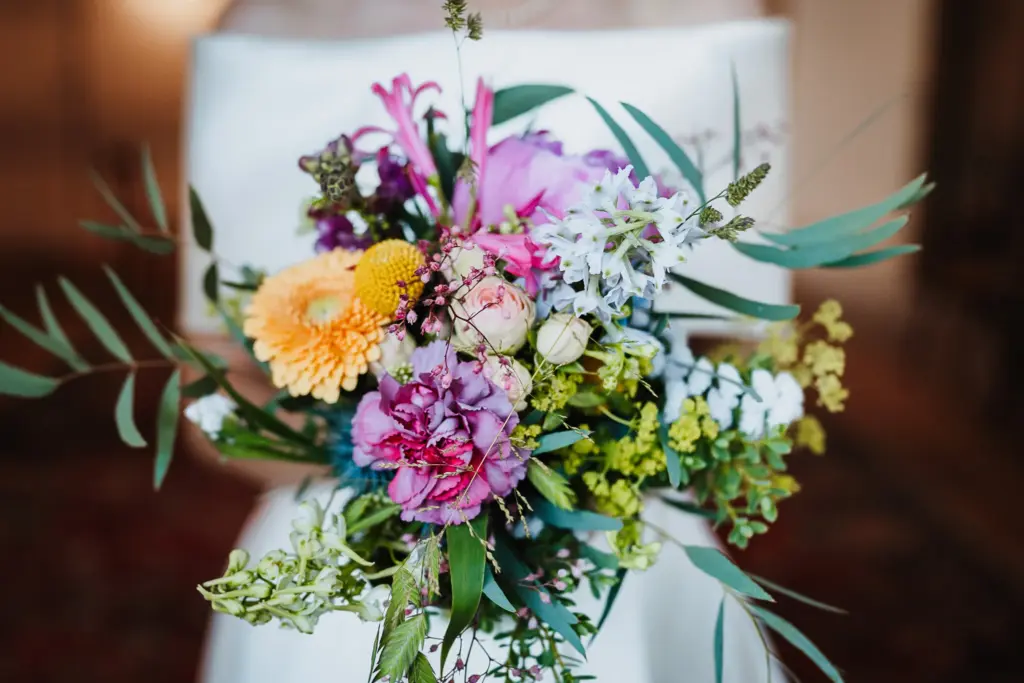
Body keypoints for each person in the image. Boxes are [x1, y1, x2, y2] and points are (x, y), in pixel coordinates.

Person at [192, 2, 789, 681]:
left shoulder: (710, 12)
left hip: (617, 540)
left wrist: (579, 447)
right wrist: (419, 459)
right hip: (355, 539)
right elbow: (212, 395)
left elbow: (750, 359)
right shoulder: (270, 21)